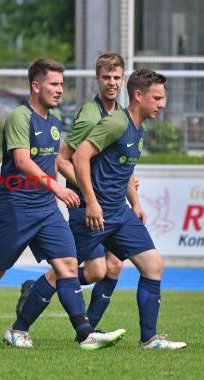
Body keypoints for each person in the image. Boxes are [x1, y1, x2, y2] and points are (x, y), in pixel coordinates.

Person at [0, 58, 126, 351]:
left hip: (46, 209)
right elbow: (23, 161)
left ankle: (85, 334)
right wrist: (57, 188)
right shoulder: (19, 117)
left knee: (66, 265)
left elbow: (53, 161)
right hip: (15, 208)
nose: (60, 90)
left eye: (62, 84)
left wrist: (85, 186)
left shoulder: (53, 122)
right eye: (54, 84)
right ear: (35, 86)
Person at [15, 53, 136, 329]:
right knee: (74, 268)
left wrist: (132, 197)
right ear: (97, 79)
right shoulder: (91, 115)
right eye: (106, 77)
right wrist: (88, 191)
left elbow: (121, 163)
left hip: (109, 205)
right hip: (87, 205)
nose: (112, 83)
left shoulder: (119, 115)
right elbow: (61, 158)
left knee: (105, 268)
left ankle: (88, 330)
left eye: (117, 77)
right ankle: (33, 303)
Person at [71, 68, 186, 349]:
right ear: (138, 95)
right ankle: (20, 325)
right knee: (63, 271)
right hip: (97, 213)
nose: (162, 104)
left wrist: (135, 203)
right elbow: (79, 157)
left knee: (152, 264)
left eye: (163, 98)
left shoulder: (139, 129)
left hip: (120, 214)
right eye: (157, 97)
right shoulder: (115, 123)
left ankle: (149, 338)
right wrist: (92, 202)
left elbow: (124, 171)